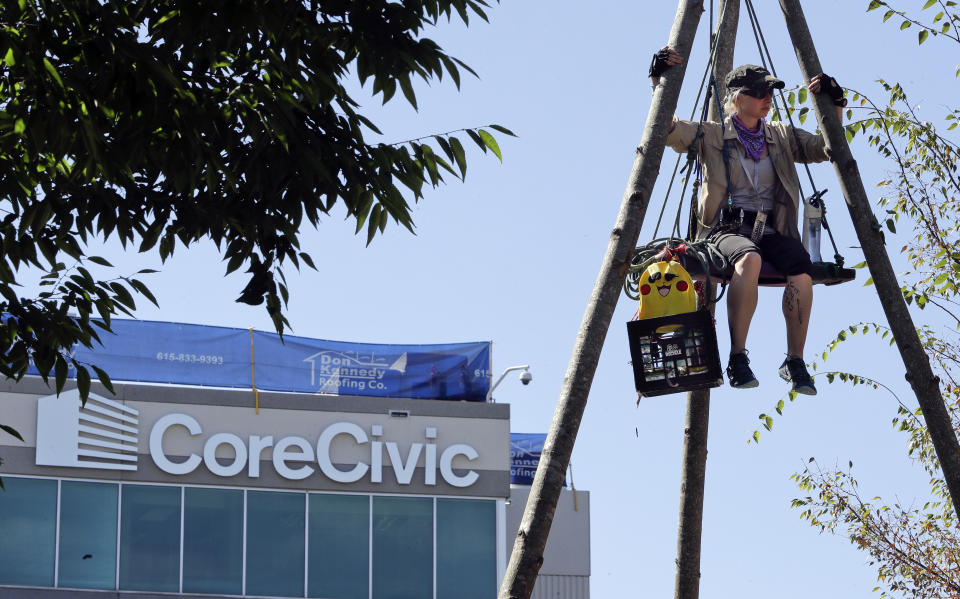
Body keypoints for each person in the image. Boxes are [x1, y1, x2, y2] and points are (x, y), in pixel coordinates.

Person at [648, 47, 847, 395]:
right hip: (726, 229)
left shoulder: (781, 136)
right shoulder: (711, 134)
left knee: (800, 266)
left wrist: (836, 104)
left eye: (769, 92)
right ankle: (738, 355)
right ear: (737, 99)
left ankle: (795, 359)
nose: (767, 99)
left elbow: (826, 147)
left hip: (769, 229)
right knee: (749, 258)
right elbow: (666, 129)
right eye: (758, 93)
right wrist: (659, 81)